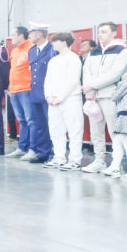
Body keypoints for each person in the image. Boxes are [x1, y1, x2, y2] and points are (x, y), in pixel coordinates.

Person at [81, 22, 127, 174]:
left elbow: (115, 74)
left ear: (114, 33)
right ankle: (99, 161)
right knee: (96, 132)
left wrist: (93, 85)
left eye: (104, 31)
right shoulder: (94, 51)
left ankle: (117, 164)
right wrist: (89, 90)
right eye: (99, 32)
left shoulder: (122, 51)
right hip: (94, 98)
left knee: (114, 131)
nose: (100, 34)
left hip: (110, 96)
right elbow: (86, 70)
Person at [44, 33, 84, 171]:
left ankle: (75, 160)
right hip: (53, 101)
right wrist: (48, 96)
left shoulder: (73, 58)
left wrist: (60, 97)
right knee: (55, 130)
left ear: (64, 42)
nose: (53, 44)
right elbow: (47, 81)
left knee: (74, 130)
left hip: (71, 99)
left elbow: (73, 80)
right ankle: (59, 157)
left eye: (55, 41)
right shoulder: (53, 61)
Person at [24, 24, 55, 163]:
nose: (29, 35)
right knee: (39, 124)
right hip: (35, 92)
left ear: (40, 34)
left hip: (49, 93)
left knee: (52, 124)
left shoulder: (53, 49)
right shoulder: (32, 51)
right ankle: (43, 152)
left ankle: (54, 153)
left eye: (32, 32)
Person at [5, 27, 34, 159]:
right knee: (22, 120)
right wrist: (10, 88)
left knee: (31, 120)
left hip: (26, 90)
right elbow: (13, 70)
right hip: (15, 91)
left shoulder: (31, 48)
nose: (11, 38)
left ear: (21, 35)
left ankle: (33, 149)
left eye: (13, 35)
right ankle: (22, 147)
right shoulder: (15, 51)